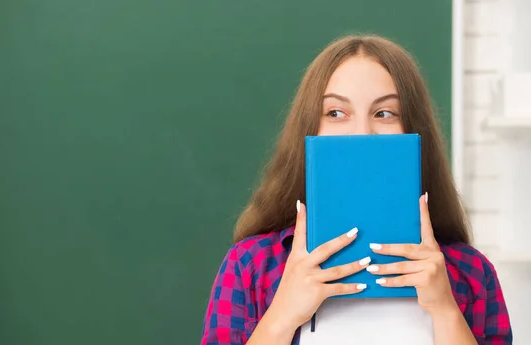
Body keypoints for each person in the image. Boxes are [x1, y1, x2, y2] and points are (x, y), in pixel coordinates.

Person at [200, 35, 512, 345]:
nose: (362, 133)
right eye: (335, 113)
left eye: (384, 113)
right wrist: (283, 315)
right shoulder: (250, 266)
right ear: (310, 130)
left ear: (413, 133)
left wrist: (445, 311)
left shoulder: (471, 273)